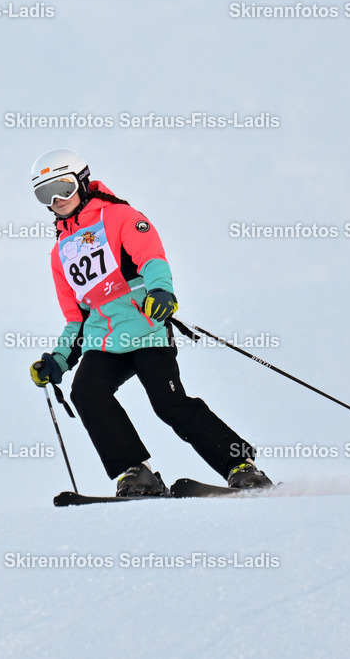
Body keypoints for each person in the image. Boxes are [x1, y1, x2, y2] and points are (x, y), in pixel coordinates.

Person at [28, 148, 273, 496]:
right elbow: (76, 318)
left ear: (82, 182)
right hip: (103, 340)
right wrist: (58, 359)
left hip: (147, 331)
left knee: (169, 403)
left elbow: (151, 257)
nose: (56, 199)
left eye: (64, 188)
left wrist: (161, 291)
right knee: (85, 391)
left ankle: (241, 466)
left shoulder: (119, 216)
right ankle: (135, 472)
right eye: (44, 194)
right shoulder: (60, 252)